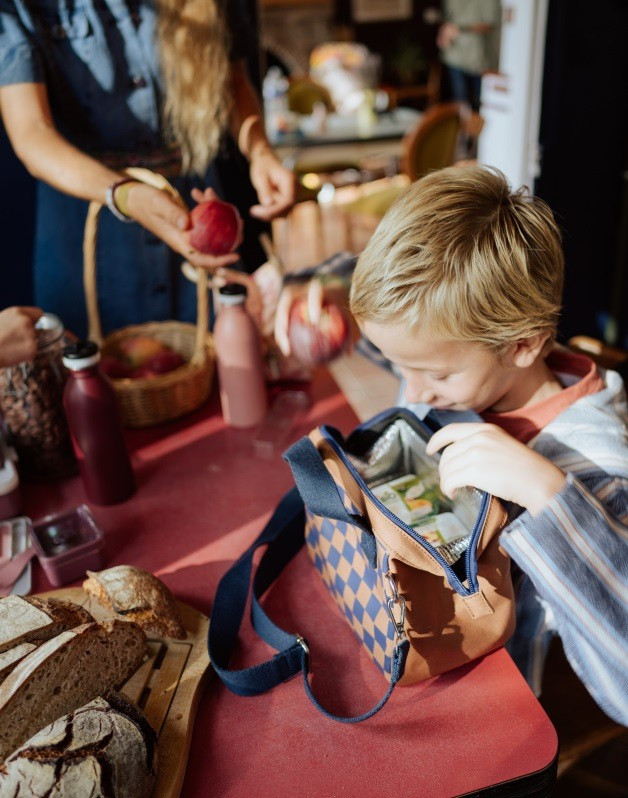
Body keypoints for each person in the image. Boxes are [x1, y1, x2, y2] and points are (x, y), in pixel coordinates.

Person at [343, 165, 627, 724]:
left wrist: (550, 497)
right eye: (402, 365)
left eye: (435, 376)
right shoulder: (463, 355)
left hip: (507, 708)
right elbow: (411, 340)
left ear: (523, 344)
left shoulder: (602, 470)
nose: (415, 390)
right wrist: (328, 289)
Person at [0, 0, 295, 338]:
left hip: (190, 212)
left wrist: (260, 152)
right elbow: (32, 135)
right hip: (89, 230)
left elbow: (234, 82)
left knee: (216, 358)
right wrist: (127, 194)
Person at [437, 0, 501, 112]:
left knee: (477, 107)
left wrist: (461, 29)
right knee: (460, 105)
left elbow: (490, 24)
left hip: (478, 61)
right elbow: (447, 20)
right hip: (454, 57)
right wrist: (443, 35)